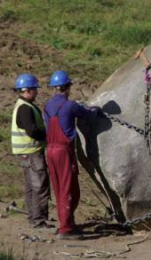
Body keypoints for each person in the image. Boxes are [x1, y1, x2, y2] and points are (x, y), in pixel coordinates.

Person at [43, 70, 99, 240]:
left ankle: (67, 222)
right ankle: (66, 229)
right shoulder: (71, 105)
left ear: (54, 88)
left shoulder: (46, 106)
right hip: (63, 151)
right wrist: (96, 109)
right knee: (69, 188)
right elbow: (89, 115)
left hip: (50, 150)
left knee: (59, 187)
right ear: (67, 88)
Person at [11, 73, 54, 231]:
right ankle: (39, 221)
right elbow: (31, 131)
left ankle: (33, 219)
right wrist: (49, 136)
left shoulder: (21, 106)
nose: (36, 92)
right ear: (28, 90)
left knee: (31, 187)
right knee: (40, 186)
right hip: (32, 152)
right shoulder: (25, 108)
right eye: (35, 89)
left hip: (25, 153)